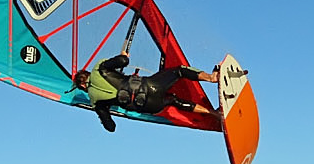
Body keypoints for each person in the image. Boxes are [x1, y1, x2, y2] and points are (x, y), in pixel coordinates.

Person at [71, 52, 221, 133]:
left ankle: (214, 114)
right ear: (87, 73)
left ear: (83, 86)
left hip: (151, 107)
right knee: (179, 71)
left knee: (173, 100)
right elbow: (123, 61)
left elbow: (111, 127)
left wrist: (102, 114)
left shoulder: (95, 102)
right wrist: (123, 55)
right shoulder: (98, 69)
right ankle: (212, 77)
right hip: (150, 87)